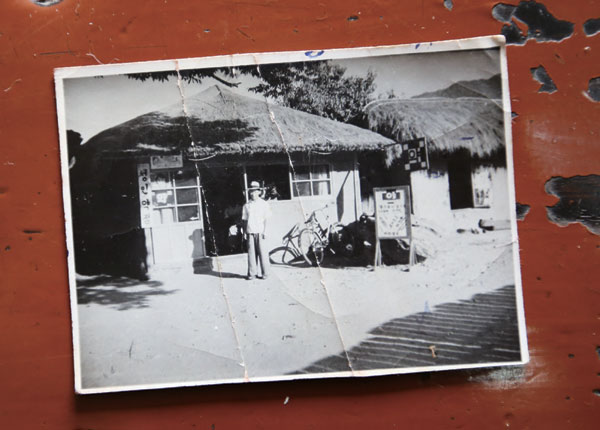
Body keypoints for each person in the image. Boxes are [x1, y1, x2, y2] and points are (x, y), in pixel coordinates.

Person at [242, 180, 272, 280]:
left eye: (255, 191)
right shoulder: (246, 205)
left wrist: (265, 231)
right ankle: (252, 274)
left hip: (260, 231)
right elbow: (245, 220)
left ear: (259, 192)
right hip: (250, 231)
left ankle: (265, 273)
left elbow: (266, 219)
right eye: (251, 191)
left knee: (263, 253)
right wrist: (245, 232)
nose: (252, 193)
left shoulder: (264, 204)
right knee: (251, 254)